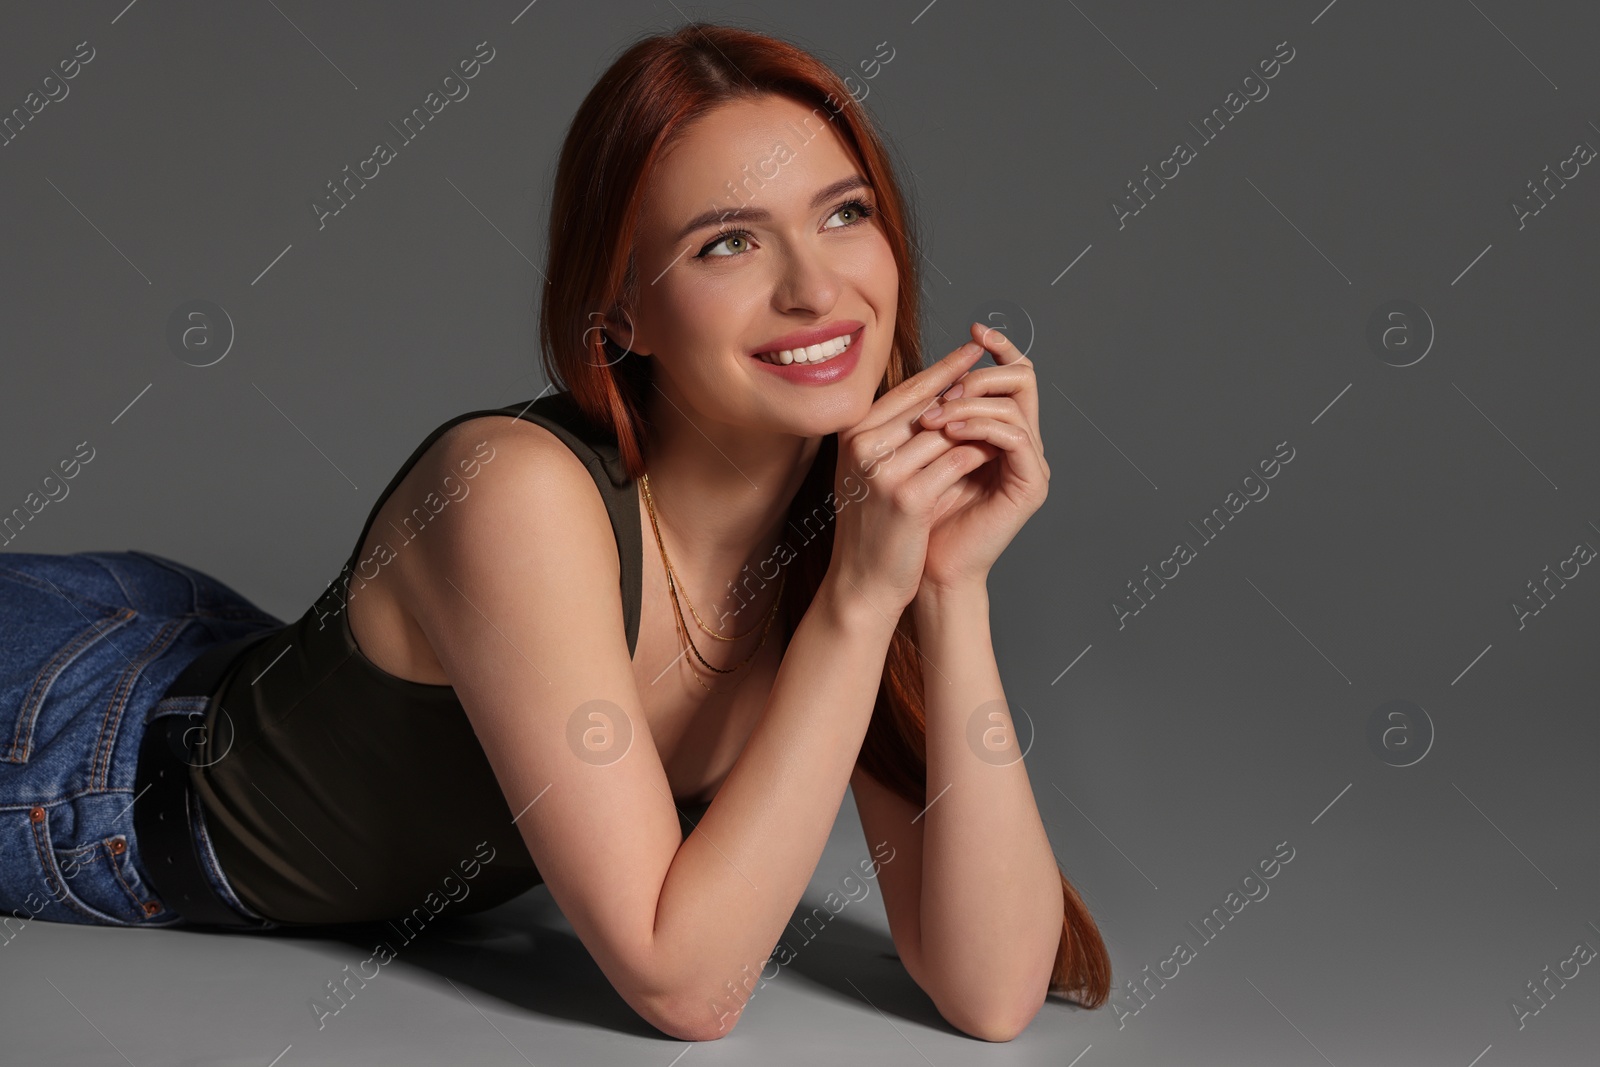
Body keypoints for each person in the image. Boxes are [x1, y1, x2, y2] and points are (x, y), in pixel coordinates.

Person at [0, 21, 1109, 1042]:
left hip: (194, 644)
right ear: (617, 308)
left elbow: (992, 988)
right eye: (729, 243)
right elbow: (685, 982)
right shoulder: (510, 493)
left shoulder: (847, 525)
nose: (816, 287)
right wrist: (866, 599)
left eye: (843, 212)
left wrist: (948, 587)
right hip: (74, 754)